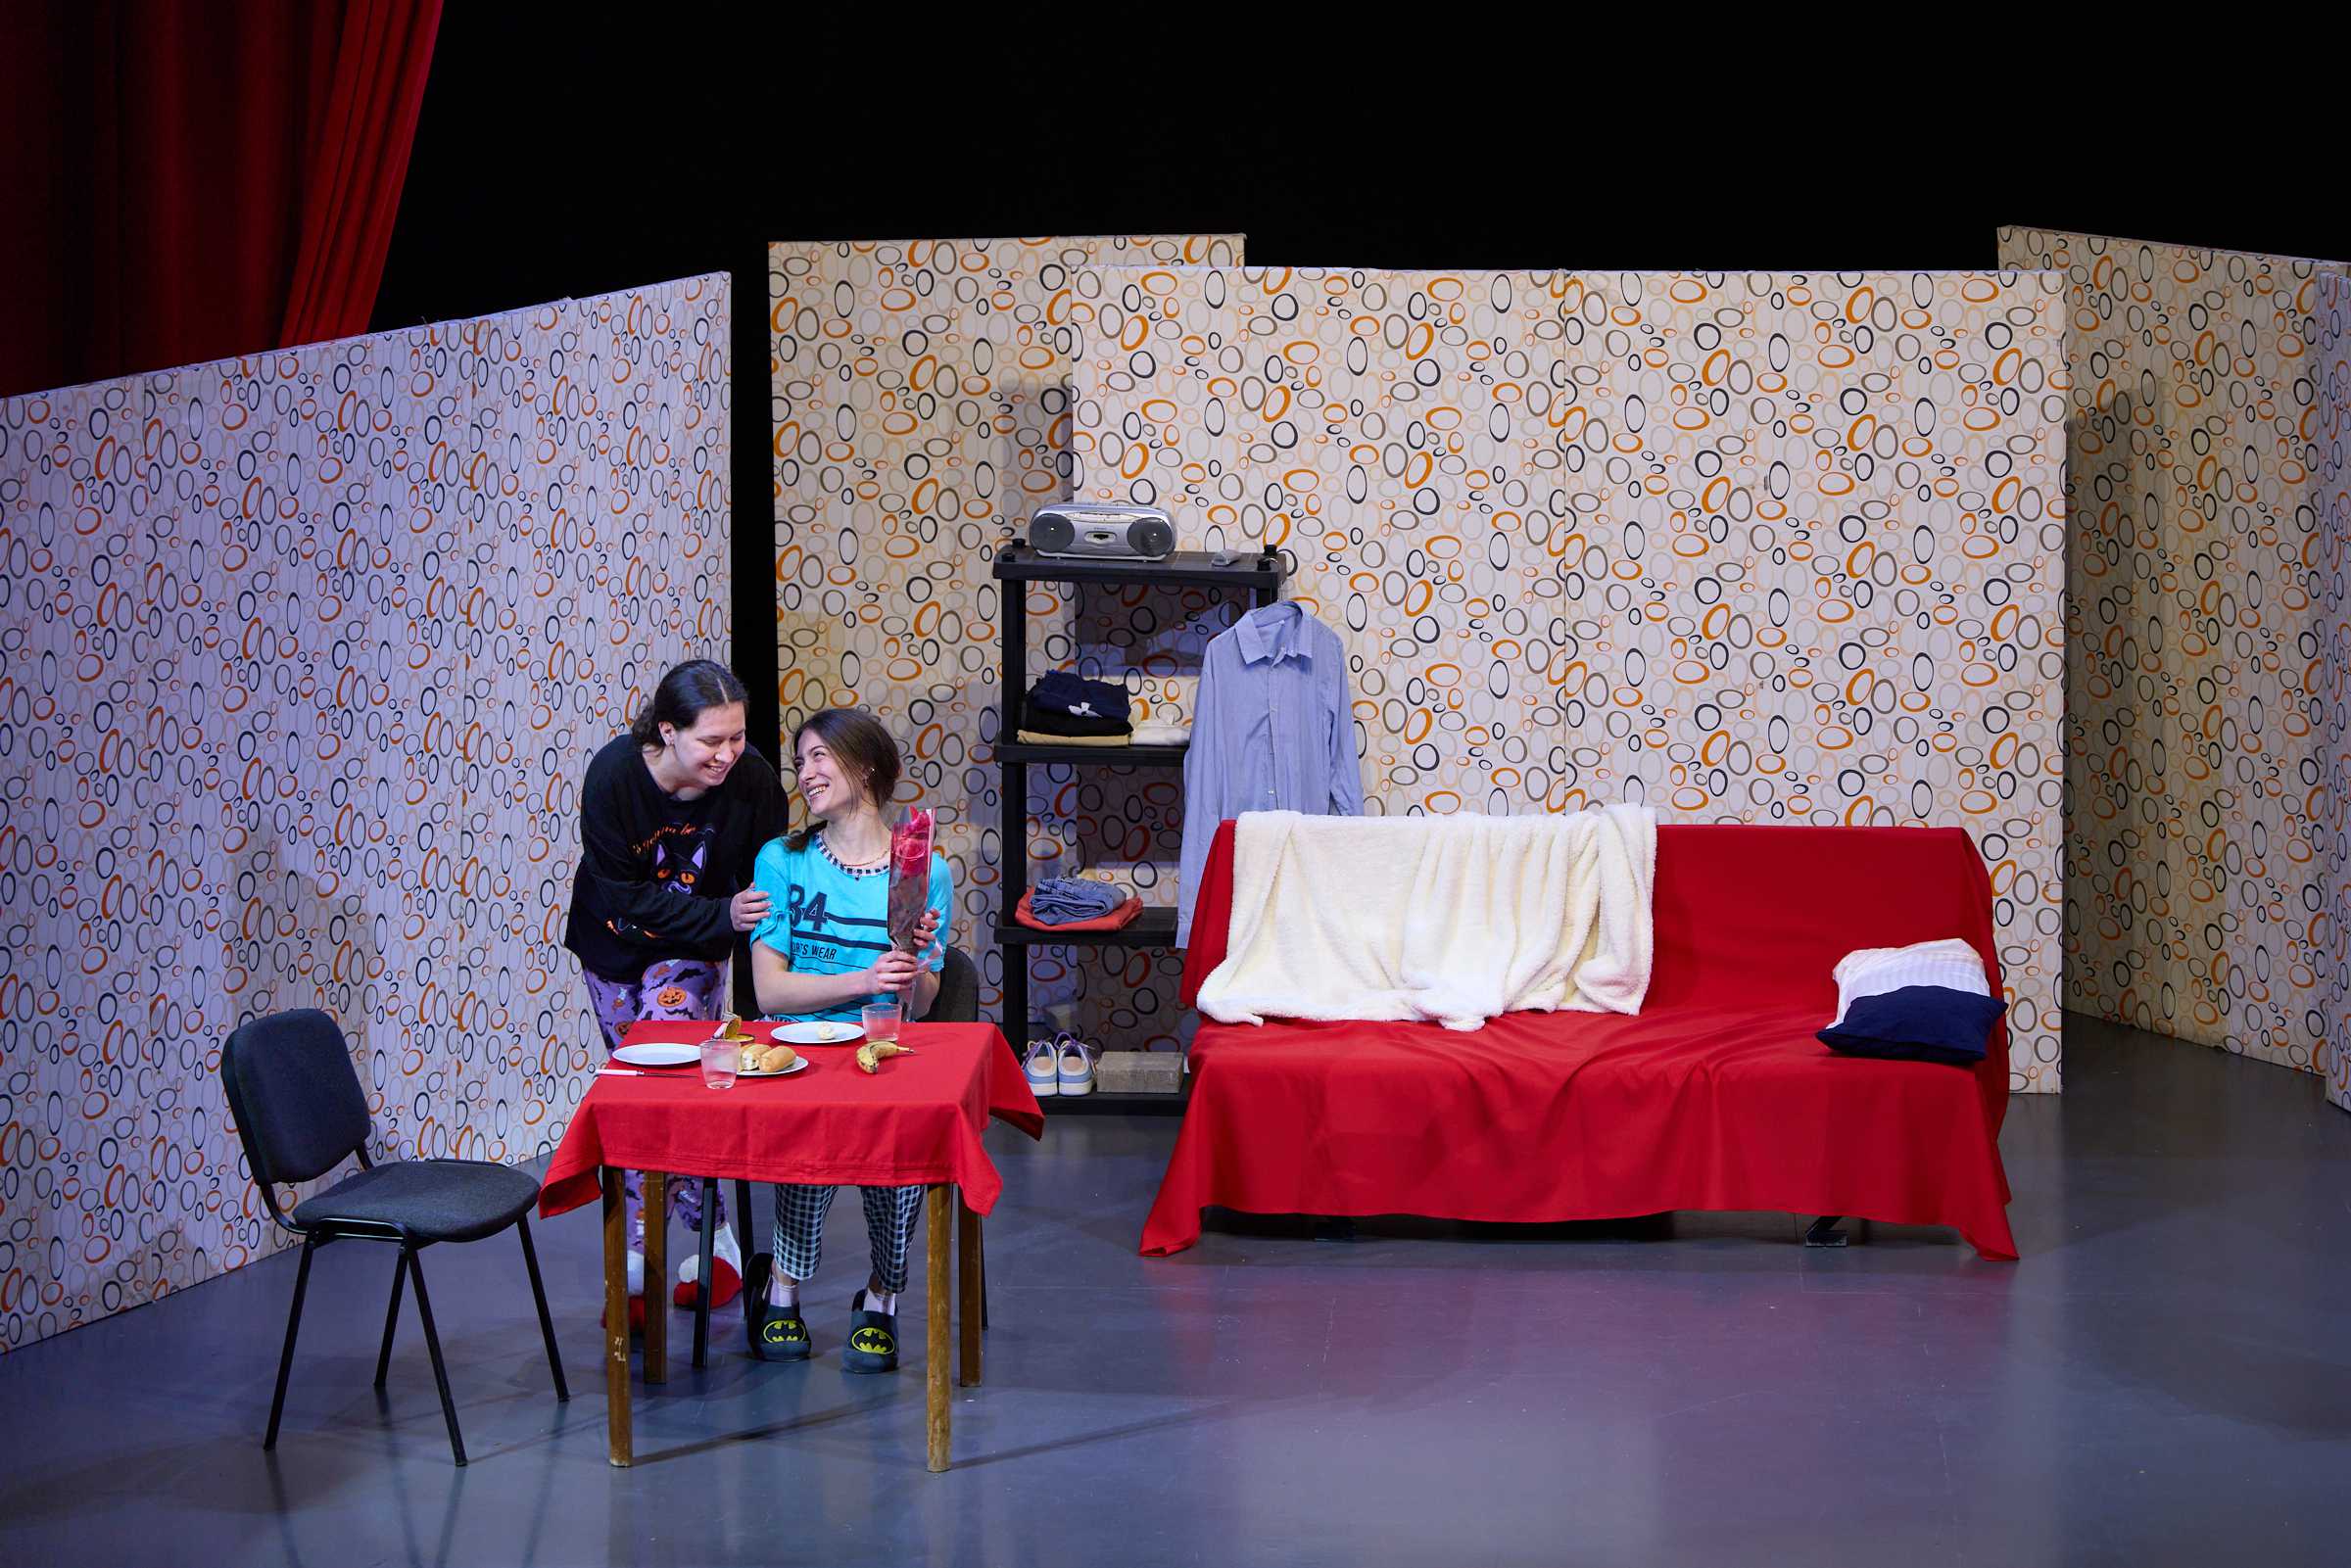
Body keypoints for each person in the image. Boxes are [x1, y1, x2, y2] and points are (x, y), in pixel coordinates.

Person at [563, 658, 788, 1326]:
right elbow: (622, 892)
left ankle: (662, 1252)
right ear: (667, 731)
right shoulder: (614, 775)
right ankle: (684, 1246)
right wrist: (723, 913)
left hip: (693, 946)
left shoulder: (752, 781)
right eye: (711, 740)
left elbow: (770, 872)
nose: (728, 753)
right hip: (613, 941)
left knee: (669, 1086)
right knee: (639, 1092)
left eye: (736, 736)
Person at [744, 707, 951, 1371]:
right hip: (803, 1047)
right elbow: (770, 993)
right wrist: (862, 977)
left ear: (863, 766)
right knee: (811, 1143)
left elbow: (924, 1002)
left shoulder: (923, 868)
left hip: (887, 1045)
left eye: (818, 757)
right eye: (800, 760)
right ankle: (782, 1287)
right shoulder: (783, 860)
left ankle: (883, 1296)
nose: (805, 773)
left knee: (900, 1153)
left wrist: (911, 964)